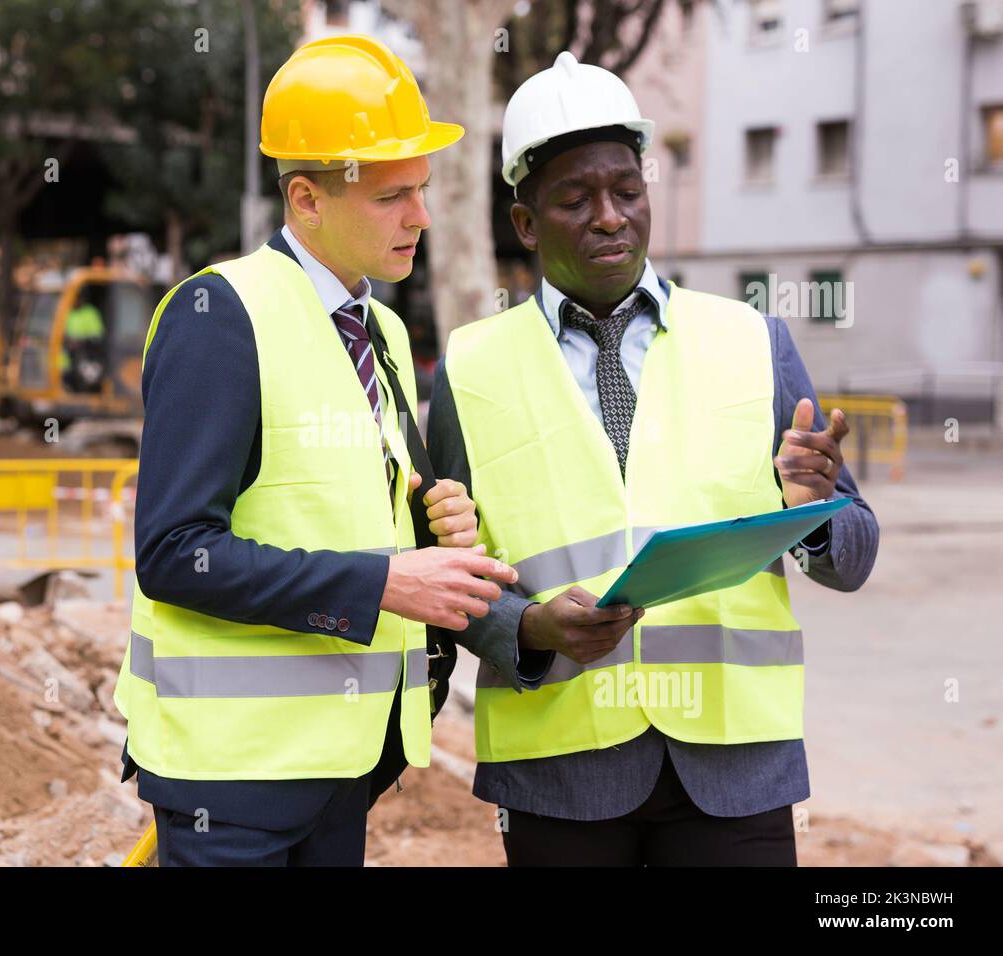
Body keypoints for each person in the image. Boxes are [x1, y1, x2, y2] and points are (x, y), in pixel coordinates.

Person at [428, 52, 880, 866]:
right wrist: (528, 627)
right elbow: (448, 573)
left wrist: (811, 515)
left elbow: (850, 558)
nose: (610, 217)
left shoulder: (753, 339)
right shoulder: (469, 367)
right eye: (575, 199)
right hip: (560, 774)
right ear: (526, 224)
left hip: (736, 769)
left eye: (627, 192)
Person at [111, 34, 519, 867]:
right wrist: (387, 583)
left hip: (345, 766)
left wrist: (427, 526)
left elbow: (333, 503)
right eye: (391, 196)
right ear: (306, 197)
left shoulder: (385, 331)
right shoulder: (217, 315)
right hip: (230, 780)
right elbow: (174, 554)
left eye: (423, 191)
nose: (422, 218)